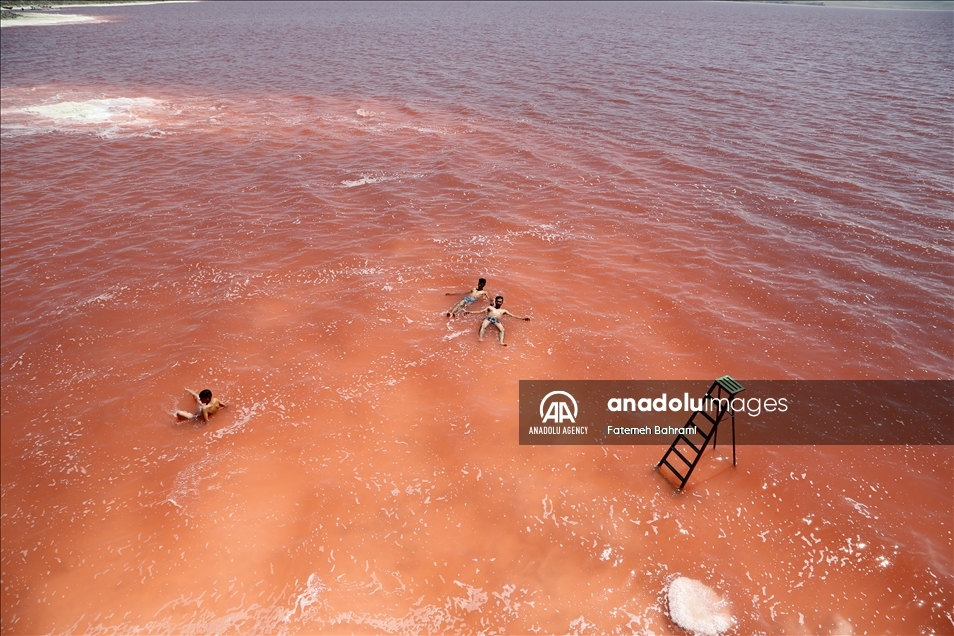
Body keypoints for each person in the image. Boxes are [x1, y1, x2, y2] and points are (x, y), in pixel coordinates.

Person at [465, 295, 530, 346]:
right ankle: (481, 337)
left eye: (500, 301)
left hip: (496, 320)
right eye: (498, 301)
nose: (499, 302)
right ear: (495, 301)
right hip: (489, 318)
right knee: (483, 325)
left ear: (502, 302)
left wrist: (523, 318)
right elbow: (480, 311)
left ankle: (501, 342)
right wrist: (470, 312)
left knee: (502, 330)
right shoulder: (490, 308)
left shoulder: (503, 311)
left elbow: (513, 315)